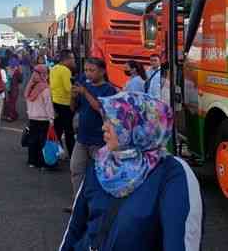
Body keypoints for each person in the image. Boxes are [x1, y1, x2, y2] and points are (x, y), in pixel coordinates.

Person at [60, 92, 203, 250]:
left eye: (112, 121)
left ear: (139, 126)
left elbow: (177, 242)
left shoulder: (172, 173)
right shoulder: (101, 163)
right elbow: (75, 227)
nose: (103, 126)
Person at [68, 57, 118, 209]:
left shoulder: (108, 89)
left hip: (100, 140)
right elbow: (73, 109)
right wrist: (73, 96)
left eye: (92, 70)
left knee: (100, 174)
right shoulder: (84, 86)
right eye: (86, 70)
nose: (88, 74)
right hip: (82, 138)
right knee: (76, 170)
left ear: (102, 71)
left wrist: (85, 92)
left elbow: (101, 109)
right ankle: (78, 204)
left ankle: (98, 205)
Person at [24, 64, 54, 168]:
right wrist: (51, 118)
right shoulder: (45, 88)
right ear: (44, 74)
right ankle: (43, 163)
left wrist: (29, 114)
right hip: (43, 119)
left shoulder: (30, 87)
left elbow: (27, 102)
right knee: (43, 142)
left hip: (32, 118)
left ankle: (32, 161)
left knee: (32, 140)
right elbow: (48, 105)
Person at [50, 50, 76, 158]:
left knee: (58, 130)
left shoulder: (54, 68)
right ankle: (72, 155)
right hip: (66, 104)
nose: (74, 61)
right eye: (72, 58)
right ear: (67, 59)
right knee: (69, 132)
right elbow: (68, 88)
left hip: (55, 102)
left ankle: (55, 153)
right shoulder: (65, 70)